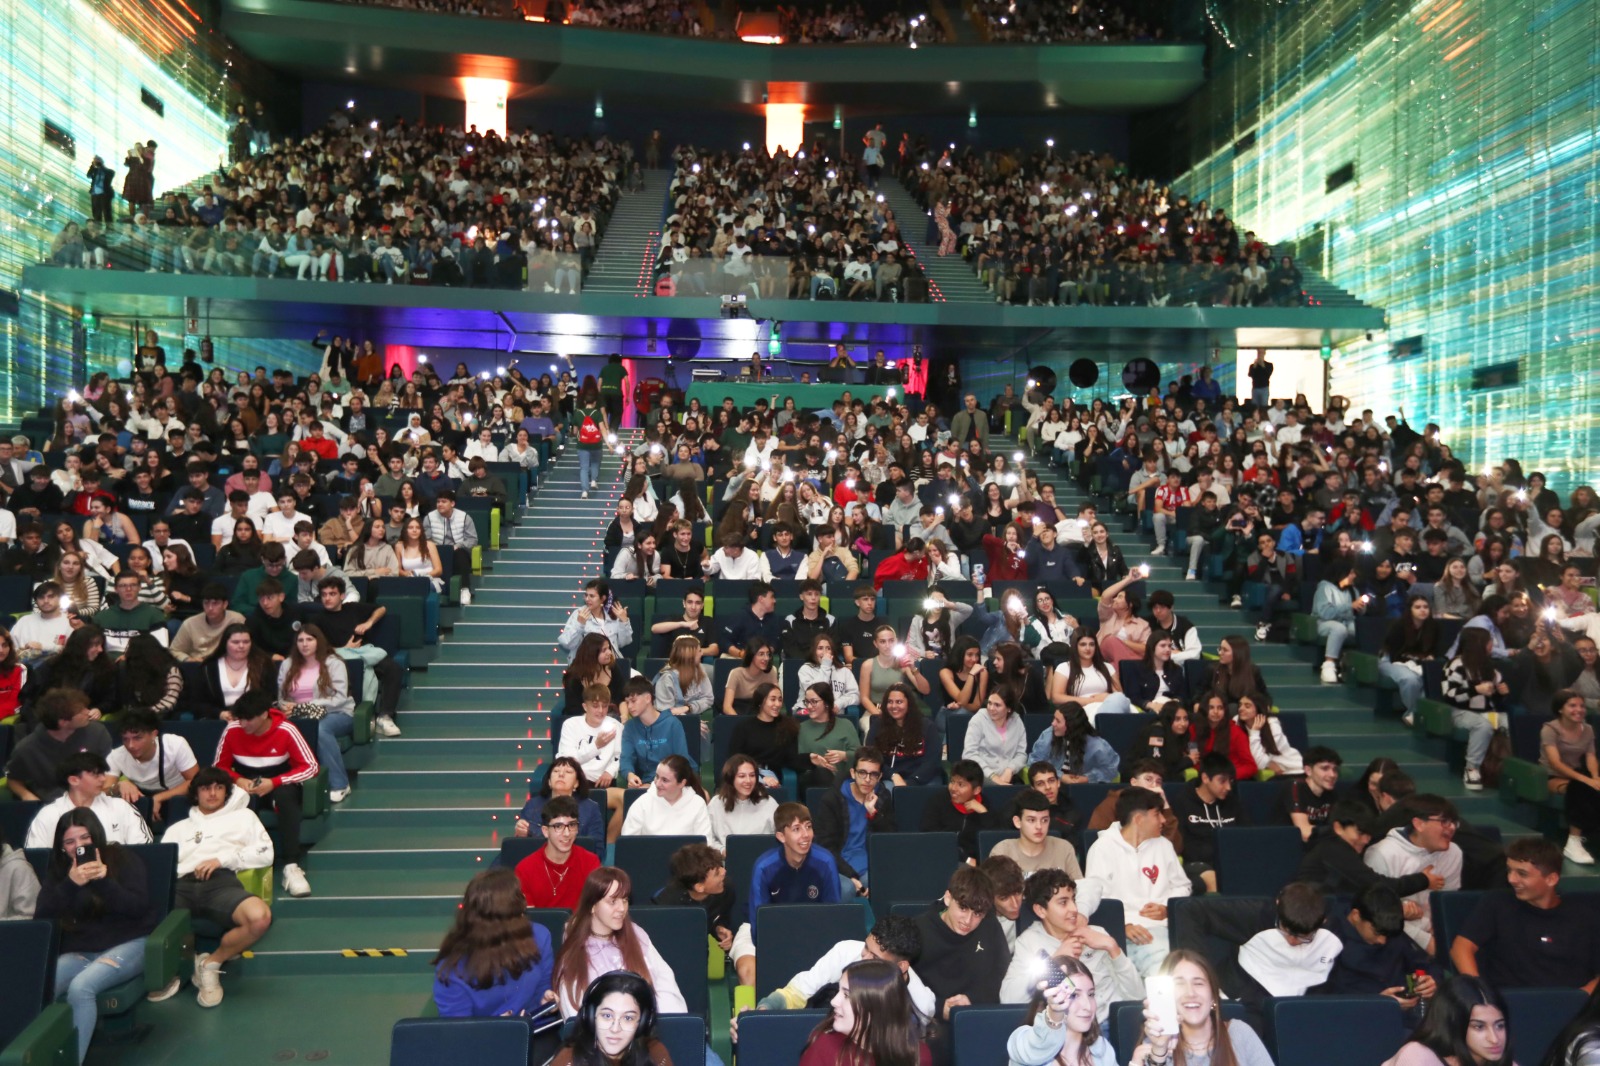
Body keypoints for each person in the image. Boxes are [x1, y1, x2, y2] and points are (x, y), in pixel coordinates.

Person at [36, 808, 165, 1064]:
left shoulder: (122, 858)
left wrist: (104, 881)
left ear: (95, 836)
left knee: (81, 988)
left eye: (84, 838)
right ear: (61, 847)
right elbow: (42, 919)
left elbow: (138, 907)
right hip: (81, 950)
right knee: (42, 986)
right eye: (70, 842)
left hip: (130, 943)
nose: (78, 847)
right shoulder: (60, 871)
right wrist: (71, 884)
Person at [160, 767, 274, 1007]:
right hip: (180, 884)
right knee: (146, 915)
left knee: (260, 917)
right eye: (205, 788)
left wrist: (223, 860)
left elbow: (266, 853)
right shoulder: (177, 829)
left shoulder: (243, 817)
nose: (212, 793)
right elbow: (163, 866)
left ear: (226, 792)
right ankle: (174, 971)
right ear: (195, 793)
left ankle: (210, 963)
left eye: (219, 788)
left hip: (220, 882)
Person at [1451, 836, 1600, 991]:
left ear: (1551, 879)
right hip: (1511, 1003)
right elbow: (1461, 948)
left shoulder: (1584, 915)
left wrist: (1586, 995)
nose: (1511, 879)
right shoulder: (1497, 903)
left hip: (1574, 1004)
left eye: (1522, 874)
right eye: (1509, 870)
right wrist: (1480, 991)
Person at [213, 690, 318, 898]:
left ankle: (291, 865)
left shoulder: (287, 730)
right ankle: (229, 862)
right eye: (240, 719)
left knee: (286, 797)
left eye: (248, 719)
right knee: (224, 800)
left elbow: (310, 767)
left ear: (263, 714)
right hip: (244, 783)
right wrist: (238, 780)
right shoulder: (233, 729)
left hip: (277, 782)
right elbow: (219, 766)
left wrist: (275, 782)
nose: (243, 725)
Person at [1000, 868, 1141, 1019]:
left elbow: (1137, 995)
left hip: (1107, 1024)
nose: (1074, 909)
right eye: (1063, 903)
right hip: (1063, 1030)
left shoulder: (1097, 935)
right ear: (1041, 910)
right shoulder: (1029, 942)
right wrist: (1055, 961)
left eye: (1073, 900)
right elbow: (1008, 999)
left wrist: (1112, 947)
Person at [1084, 785, 1192, 976]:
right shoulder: (1102, 849)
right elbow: (1096, 901)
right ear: (1139, 819)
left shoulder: (1164, 846)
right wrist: (1122, 926)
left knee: (1195, 963)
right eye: (1157, 814)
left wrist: (1167, 907)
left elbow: (1183, 886)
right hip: (1129, 933)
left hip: (1170, 927)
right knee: (1166, 968)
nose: (1163, 820)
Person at [552, 866, 687, 1017]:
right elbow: (574, 1010)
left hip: (645, 1031)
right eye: (612, 901)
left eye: (625, 900)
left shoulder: (637, 935)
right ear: (592, 906)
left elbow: (665, 984)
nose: (622, 908)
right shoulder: (575, 949)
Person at [734, 802, 844, 984]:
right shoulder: (764, 867)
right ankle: (751, 1012)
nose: (805, 835)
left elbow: (832, 915)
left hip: (810, 930)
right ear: (780, 836)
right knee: (749, 974)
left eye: (808, 827)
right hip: (765, 931)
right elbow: (758, 925)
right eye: (796, 829)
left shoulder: (825, 862)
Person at [433, 867, 556, 1018]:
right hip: (480, 1039)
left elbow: (543, 988)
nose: (524, 901)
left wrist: (544, 1002)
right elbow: (457, 1030)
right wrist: (494, 1028)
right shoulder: (454, 969)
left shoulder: (539, 936)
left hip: (534, 1030)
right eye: (518, 897)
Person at [913, 865, 1010, 1040]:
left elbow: (1001, 974)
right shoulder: (918, 930)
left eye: (978, 913)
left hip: (979, 1016)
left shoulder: (990, 926)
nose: (968, 920)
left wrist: (973, 1001)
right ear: (948, 898)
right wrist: (937, 1006)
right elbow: (902, 985)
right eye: (963, 908)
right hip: (928, 1022)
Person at [1129, 950, 1275, 1066]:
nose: (1190, 993)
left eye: (1198, 983)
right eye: (1179, 984)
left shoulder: (1239, 1034)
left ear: (1213, 996)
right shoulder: (1156, 1044)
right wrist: (1158, 1055)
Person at [1365, 794, 1465, 952]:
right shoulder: (1382, 854)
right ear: (1419, 824)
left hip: (1435, 933)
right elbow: (1375, 916)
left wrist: (1441, 930)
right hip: (1393, 937)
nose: (1452, 828)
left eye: (1453, 822)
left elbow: (1448, 904)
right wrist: (1425, 941)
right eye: (1444, 821)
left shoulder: (1453, 853)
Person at [1297, 801, 1447, 900]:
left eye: (1368, 834)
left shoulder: (1333, 846)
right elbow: (1375, 885)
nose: (1365, 840)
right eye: (1360, 833)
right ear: (1338, 827)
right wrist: (1423, 880)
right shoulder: (1333, 850)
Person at [275, 623, 356, 802]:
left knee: (320, 729)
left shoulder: (334, 663)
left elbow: (340, 698)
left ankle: (340, 784)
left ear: (319, 641)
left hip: (336, 713)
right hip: (297, 714)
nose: (304, 644)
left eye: (309, 639)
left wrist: (305, 707)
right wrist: (288, 707)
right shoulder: (288, 664)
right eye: (300, 640)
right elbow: (281, 697)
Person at [799, 957, 931, 1066]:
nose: (834, 1001)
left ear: (875, 1008)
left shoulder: (917, 1056)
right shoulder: (824, 1047)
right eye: (838, 991)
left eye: (846, 995)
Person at [812, 746, 896, 900]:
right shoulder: (832, 800)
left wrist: (874, 814)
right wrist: (850, 875)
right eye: (862, 773)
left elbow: (889, 840)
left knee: (883, 883)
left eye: (873, 774)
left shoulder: (882, 797)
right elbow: (826, 846)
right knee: (847, 888)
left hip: (871, 864)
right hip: (840, 865)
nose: (867, 779)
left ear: (880, 777)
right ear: (853, 773)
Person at [1005, 954, 1120, 1066]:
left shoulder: (1101, 1049)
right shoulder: (1024, 1044)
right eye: (1074, 995)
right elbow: (1041, 1045)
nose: (1088, 1006)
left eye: (1091, 994)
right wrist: (1055, 1013)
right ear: (1048, 1000)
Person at [24, 750, 154, 848]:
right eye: (96, 775)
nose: (103, 779)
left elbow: (144, 851)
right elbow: (37, 859)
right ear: (74, 780)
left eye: (103, 773)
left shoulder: (121, 807)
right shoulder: (48, 815)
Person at [5, 688, 114, 802]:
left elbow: (110, 770)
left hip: (94, 799)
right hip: (50, 804)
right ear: (63, 722)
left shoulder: (97, 732)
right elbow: (13, 779)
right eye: (81, 711)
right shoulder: (27, 748)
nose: (88, 712)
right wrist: (26, 795)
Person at [1379, 975, 1512, 1066]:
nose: (1494, 1039)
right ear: (1454, 1024)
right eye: (1479, 1027)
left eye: (1500, 1025)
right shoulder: (1418, 1057)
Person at [552, 970, 670, 1066]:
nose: (615, 1029)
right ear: (591, 1016)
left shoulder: (653, 1052)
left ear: (643, 1022)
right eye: (607, 1016)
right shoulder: (569, 1061)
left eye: (628, 1018)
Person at [1169, 753, 1247, 893]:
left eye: (1231, 781)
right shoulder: (1183, 802)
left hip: (1230, 861)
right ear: (1205, 778)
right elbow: (1182, 842)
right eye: (1222, 781)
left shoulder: (1233, 803)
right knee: (1214, 880)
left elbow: (1246, 834)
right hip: (1196, 863)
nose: (1228, 787)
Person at [1443, 627, 1508, 792]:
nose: (1492, 644)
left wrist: (1502, 692)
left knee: (1510, 723)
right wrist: (1475, 690)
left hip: (1488, 711)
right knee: (1482, 725)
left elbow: (1494, 696)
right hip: (1460, 712)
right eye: (1489, 641)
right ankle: (1472, 769)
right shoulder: (1456, 664)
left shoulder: (1489, 666)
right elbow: (1449, 694)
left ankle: (1508, 771)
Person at [106, 708, 199, 823]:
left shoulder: (175, 744)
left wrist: (159, 798)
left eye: (137, 738)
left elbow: (195, 781)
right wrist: (119, 785)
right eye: (125, 739)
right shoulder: (116, 755)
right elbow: (103, 790)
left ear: (153, 734)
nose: (131, 745)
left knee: (180, 804)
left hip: (178, 794)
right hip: (141, 798)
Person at [1541, 689, 1600, 865]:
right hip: (1552, 776)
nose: (1579, 709)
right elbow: (1555, 763)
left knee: (1589, 786)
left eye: (1582, 706)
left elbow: (1591, 756)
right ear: (1560, 709)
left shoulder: (1588, 729)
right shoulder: (1550, 729)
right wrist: (1586, 780)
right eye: (1572, 705)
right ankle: (1573, 842)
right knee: (1580, 788)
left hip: (1580, 774)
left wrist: (1595, 778)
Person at [516, 795, 603, 910]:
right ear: (545, 831)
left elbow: (596, 909)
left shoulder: (591, 862)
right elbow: (530, 920)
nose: (567, 833)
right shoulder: (525, 869)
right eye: (558, 826)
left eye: (572, 825)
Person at [653, 843, 736, 961]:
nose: (724, 871)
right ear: (700, 887)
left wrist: (719, 928)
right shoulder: (667, 905)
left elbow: (720, 916)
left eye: (720, 866)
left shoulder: (726, 889)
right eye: (717, 873)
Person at [992, 789, 1085, 880]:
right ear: (1017, 822)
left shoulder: (1064, 849)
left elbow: (1079, 891)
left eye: (1044, 820)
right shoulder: (1003, 852)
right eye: (1031, 820)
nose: (1039, 826)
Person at [864, 684, 944, 786]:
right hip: (890, 778)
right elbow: (872, 757)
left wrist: (913, 781)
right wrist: (893, 775)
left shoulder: (927, 727)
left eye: (899, 702)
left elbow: (932, 761)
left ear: (908, 704)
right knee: (889, 790)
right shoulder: (878, 725)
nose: (894, 706)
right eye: (890, 702)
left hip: (922, 777)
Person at [620, 754, 712, 841]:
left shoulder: (697, 804)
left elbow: (706, 843)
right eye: (657, 776)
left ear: (682, 783)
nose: (658, 783)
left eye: (665, 780)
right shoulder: (642, 804)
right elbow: (628, 845)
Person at [517, 756, 608, 845]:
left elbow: (596, 848)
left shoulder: (590, 808)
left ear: (576, 783)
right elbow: (522, 845)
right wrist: (520, 832)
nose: (561, 774)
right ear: (549, 781)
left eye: (568, 772)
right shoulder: (533, 805)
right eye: (556, 771)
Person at [620, 679, 694, 788]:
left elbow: (681, 761)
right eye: (627, 703)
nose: (629, 706)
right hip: (646, 782)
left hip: (674, 782)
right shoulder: (630, 727)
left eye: (633, 701)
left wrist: (660, 783)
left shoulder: (672, 724)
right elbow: (626, 758)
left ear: (648, 698)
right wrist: (629, 775)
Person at [1029, 701, 1119, 784]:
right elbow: (1035, 761)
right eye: (1054, 719)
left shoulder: (1097, 745)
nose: (1053, 723)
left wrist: (1087, 778)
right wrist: (1060, 776)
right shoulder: (1048, 735)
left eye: (1058, 721)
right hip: (1052, 785)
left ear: (1071, 725)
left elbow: (1111, 769)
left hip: (1083, 788)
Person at [709, 754, 779, 851]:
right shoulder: (716, 803)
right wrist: (722, 850)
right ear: (731, 778)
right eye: (742, 776)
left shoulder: (769, 803)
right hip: (725, 861)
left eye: (752, 775)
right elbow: (709, 839)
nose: (748, 781)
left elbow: (780, 836)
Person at [560, 579, 634, 664]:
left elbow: (624, 642)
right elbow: (567, 644)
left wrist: (623, 622)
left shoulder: (612, 615)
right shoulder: (578, 614)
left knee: (637, 676)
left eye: (592, 596)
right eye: (586, 595)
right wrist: (579, 625)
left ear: (603, 598)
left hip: (612, 663)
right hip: (586, 665)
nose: (587, 599)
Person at [1280, 745, 1342, 842]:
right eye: (1325, 768)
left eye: (1335, 769)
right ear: (1308, 770)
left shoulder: (1332, 793)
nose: (1332, 775)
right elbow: (1304, 833)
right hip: (1287, 844)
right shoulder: (1295, 786)